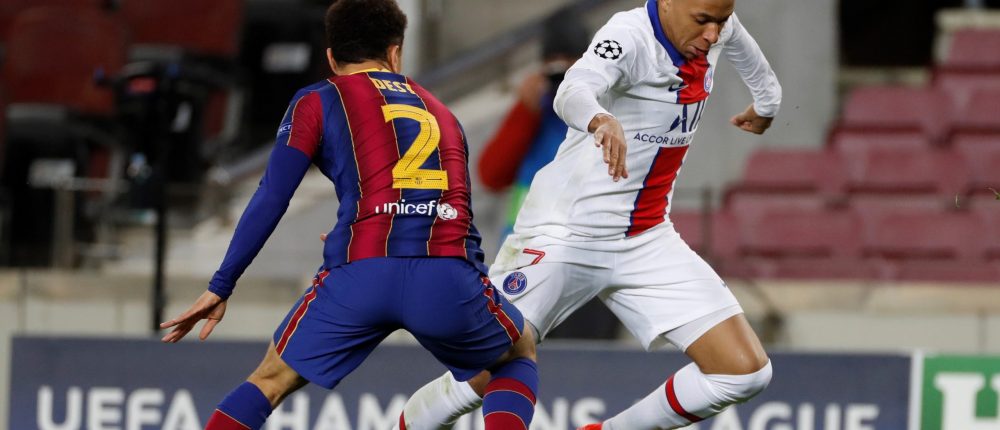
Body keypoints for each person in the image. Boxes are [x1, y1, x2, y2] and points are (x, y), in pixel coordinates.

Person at [394, 0, 781, 429]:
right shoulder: (629, 35)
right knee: (490, 368)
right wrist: (599, 119)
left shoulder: (714, 25)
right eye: (703, 21)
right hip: (562, 233)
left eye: (720, 22)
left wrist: (767, 104)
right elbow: (572, 88)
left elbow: (746, 53)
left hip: (646, 238)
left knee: (744, 372)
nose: (713, 34)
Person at [158, 1, 540, 429]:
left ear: (330, 57)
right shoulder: (443, 112)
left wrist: (221, 284)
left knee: (269, 380)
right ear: (395, 52)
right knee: (517, 354)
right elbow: (452, 211)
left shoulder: (318, 100)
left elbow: (272, 195)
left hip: (361, 274)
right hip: (444, 274)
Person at [478, 10, 589, 240]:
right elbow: (490, 176)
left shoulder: (601, 112)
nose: (562, 79)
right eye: (555, 71)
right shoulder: (533, 112)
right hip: (522, 245)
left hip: (577, 243)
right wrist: (525, 109)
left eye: (570, 68)